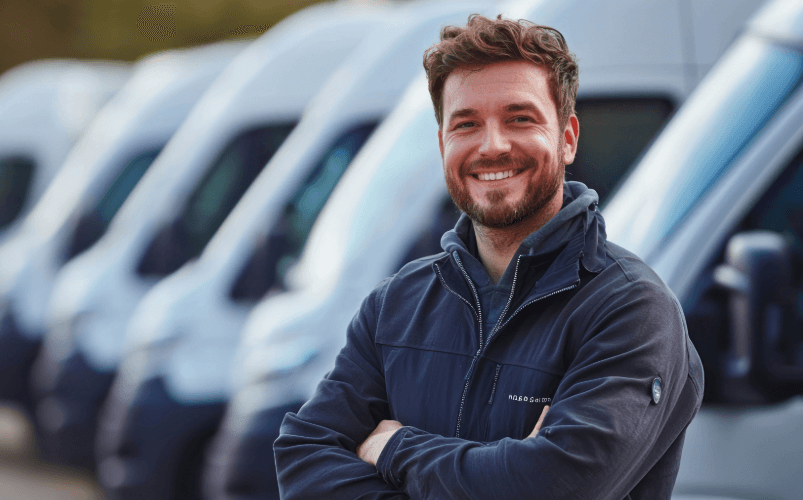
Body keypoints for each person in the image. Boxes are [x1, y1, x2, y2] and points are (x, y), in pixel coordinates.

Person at [273, 14, 704, 499]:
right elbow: (302, 459)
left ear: (567, 138)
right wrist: (508, 469)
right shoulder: (394, 307)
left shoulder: (631, 311)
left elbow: (555, 488)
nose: (492, 145)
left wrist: (394, 448)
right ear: (442, 145)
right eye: (467, 124)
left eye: (520, 118)